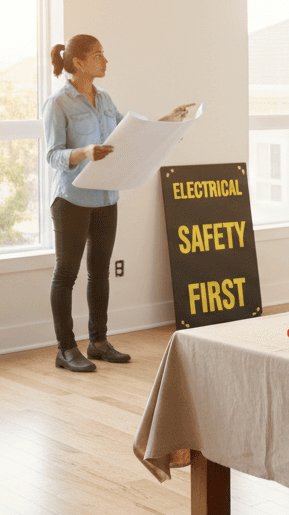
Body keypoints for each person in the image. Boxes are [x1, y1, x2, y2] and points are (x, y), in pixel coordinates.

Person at [45, 35, 192, 372]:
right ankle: (65, 349)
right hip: (72, 199)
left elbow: (130, 134)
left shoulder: (105, 99)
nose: (105, 61)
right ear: (80, 63)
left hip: (106, 196)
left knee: (100, 272)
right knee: (65, 274)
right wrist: (84, 152)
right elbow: (52, 156)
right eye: (98, 55)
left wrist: (168, 120)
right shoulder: (58, 104)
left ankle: (98, 342)